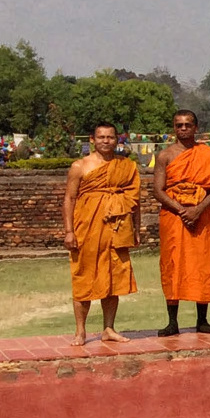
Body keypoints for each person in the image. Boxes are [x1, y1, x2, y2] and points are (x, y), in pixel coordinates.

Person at [63, 121, 143, 345]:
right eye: (101, 137)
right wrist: (69, 231)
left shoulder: (126, 166)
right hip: (86, 227)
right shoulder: (80, 166)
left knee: (113, 278)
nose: (106, 141)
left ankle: (109, 328)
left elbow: (135, 200)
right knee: (83, 277)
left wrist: (136, 228)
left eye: (110, 137)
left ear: (117, 139)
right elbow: (69, 199)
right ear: (92, 140)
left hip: (117, 228)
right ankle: (80, 331)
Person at [152, 109, 210, 336]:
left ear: (196, 128)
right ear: (173, 128)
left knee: (203, 264)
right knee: (173, 264)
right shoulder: (165, 156)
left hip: (202, 215)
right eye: (179, 125)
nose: (183, 129)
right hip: (174, 217)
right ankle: (172, 322)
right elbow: (158, 190)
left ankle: (202, 320)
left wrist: (198, 209)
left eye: (187, 125)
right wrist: (182, 210)